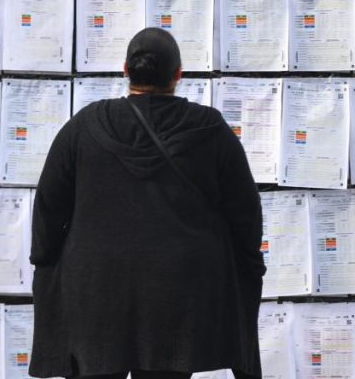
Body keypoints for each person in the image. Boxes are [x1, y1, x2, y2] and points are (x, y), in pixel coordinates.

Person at [29, 27, 265, 379]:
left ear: (126, 70)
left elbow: (49, 203)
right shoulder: (209, 129)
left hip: (95, 289)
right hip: (177, 293)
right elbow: (245, 213)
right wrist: (248, 265)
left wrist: (45, 261)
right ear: (178, 75)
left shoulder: (85, 126)